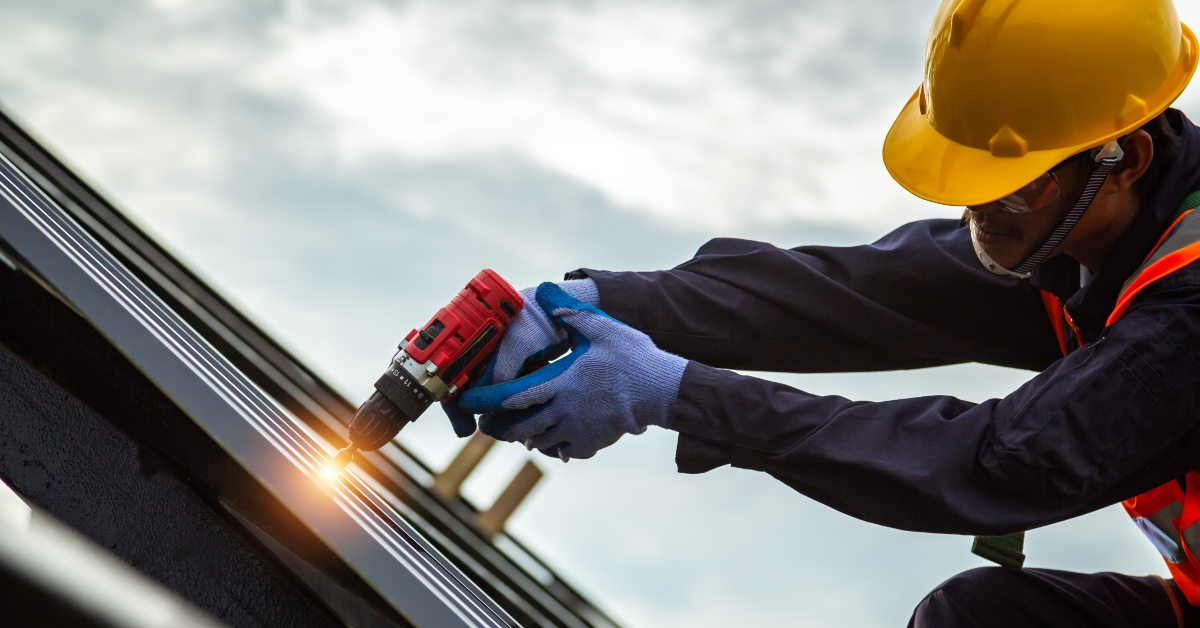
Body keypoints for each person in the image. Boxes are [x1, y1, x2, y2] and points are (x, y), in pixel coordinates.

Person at [445, 1, 1200, 625]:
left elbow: (1000, 462)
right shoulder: (1084, 235)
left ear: (1127, 159)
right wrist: (585, 304)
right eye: (969, 173)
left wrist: (670, 391)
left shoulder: (1186, 310)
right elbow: (856, 293)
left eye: (1013, 183)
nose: (980, 209)